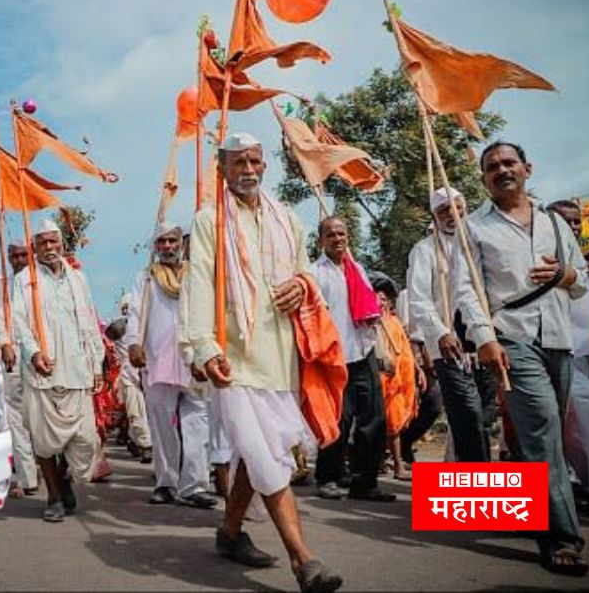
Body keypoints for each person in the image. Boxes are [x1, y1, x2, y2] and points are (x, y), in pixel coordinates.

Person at [181, 132, 341, 592]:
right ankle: (303, 560)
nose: (248, 170)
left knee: (260, 452)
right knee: (267, 456)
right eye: (238, 163)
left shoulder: (288, 220)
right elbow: (200, 287)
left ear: (264, 166)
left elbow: (306, 271)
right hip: (233, 360)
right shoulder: (209, 221)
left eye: (254, 161)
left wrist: (304, 285)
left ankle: (230, 533)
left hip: (281, 357)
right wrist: (205, 349)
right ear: (222, 170)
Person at [454, 142, 588, 576]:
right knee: (543, 430)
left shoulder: (554, 221)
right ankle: (562, 539)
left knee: (545, 436)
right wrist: (484, 338)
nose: (502, 171)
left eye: (509, 163)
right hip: (510, 337)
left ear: (528, 169)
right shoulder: (471, 227)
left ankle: (520, 508)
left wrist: (564, 274)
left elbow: (581, 280)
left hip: (560, 337)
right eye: (492, 167)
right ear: (483, 179)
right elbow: (466, 289)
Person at [11, 219, 105, 523]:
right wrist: (33, 352)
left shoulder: (79, 279)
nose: (50, 248)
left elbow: (90, 322)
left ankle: (64, 478)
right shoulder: (25, 280)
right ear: (34, 247)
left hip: (77, 370)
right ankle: (52, 495)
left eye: (54, 242)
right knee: (43, 439)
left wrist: (97, 364)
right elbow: (20, 323)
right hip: (42, 371)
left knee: (86, 441)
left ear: (61, 243)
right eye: (43, 243)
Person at [126, 223, 219, 509]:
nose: (167, 246)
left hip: (194, 361)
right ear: (155, 247)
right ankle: (166, 483)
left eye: (172, 241)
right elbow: (135, 314)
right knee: (162, 427)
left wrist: (208, 353)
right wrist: (134, 344)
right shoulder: (146, 279)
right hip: (157, 359)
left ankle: (193, 486)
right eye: (162, 242)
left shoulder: (198, 277)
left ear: (181, 244)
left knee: (198, 426)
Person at [406, 187, 497, 462]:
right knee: (467, 415)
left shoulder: (480, 244)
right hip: (449, 347)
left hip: (484, 342)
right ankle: (474, 488)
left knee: (486, 416)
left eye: (457, 206)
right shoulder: (424, 251)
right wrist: (440, 333)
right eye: (443, 209)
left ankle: (470, 480)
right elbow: (419, 299)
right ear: (434, 216)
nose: (452, 213)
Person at [311, 217, 396, 502]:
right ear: (321, 240)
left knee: (374, 419)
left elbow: (371, 313)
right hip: (335, 357)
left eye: (342, 233)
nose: (337, 238)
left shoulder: (357, 268)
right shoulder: (315, 274)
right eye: (331, 234)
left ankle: (365, 482)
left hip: (364, 351)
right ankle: (328, 477)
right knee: (338, 420)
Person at [548, 199, 589, 514]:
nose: (573, 227)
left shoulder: (588, 262)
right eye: (566, 221)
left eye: (577, 222)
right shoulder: (544, 258)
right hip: (561, 353)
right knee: (567, 424)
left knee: (587, 425)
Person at [0, 244, 38, 498]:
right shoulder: (1, 287)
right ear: (8, 258)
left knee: (42, 415)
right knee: (16, 418)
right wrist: (4, 343)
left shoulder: (39, 283)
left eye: (23, 255)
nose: (19, 260)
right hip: (14, 355)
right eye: (15, 256)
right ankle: (28, 478)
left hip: (42, 356)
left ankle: (57, 470)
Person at [371, 273, 421, 481]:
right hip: (380, 380)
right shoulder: (371, 324)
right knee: (383, 425)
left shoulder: (395, 322)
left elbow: (405, 349)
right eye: (376, 298)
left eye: (383, 299)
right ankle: (393, 464)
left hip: (401, 380)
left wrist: (417, 370)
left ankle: (395, 464)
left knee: (396, 424)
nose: (380, 302)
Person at [396, 284, 444, 469]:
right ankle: (399, 448)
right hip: (415, 360)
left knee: (434, 405)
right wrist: (417, 363)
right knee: (410, 405)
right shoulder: (406, 296)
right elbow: (407, 331)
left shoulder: (441, 292)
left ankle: (405, 441)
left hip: (439, 357)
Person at [106, 309, 153, 464]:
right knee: (136, 412)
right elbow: (110, 333)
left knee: (150, 414)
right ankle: (146, 446)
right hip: (130, 378)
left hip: (149, 374)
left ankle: (138, 441)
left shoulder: (148, 322)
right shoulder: (121, 326)